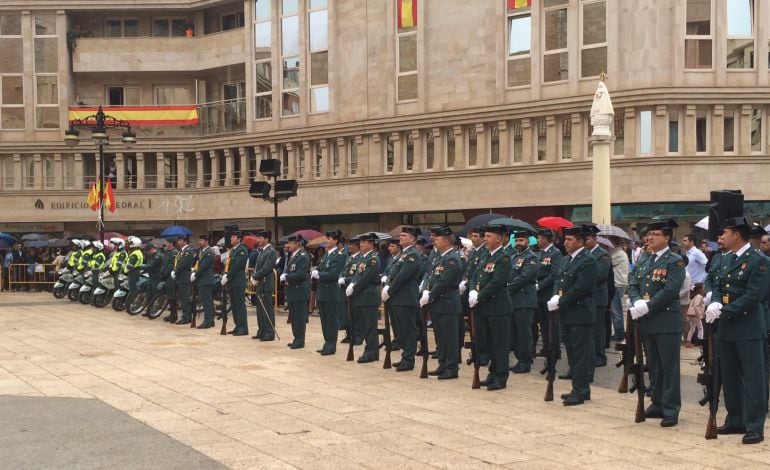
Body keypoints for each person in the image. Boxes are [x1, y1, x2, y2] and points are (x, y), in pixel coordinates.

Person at [706, 217, 768, 444]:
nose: (722, 236)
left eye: (726, 232)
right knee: (730, 376)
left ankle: (754, 426)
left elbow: (754, 296)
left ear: (737, 235)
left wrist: (724, 310)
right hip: (727, 327)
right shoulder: (724, 259)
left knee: (753, 378)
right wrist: (714, 300)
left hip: (747, 326)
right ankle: (735, 419)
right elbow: (716, 282)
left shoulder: (757, 260)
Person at [628, 219, 684, 427]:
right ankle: (658, 402)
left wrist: (648, 306)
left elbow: (670, 290)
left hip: (666, 320)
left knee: (669, 366)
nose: (650, 238)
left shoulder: (675, 260)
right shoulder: (644, 258)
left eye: (656, 234)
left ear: (667, 237)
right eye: (649, 234)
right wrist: (636, 301)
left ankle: (671, 408)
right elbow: (632, 281)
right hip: (647, 320)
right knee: (654, 365)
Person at [548, 225, 598, 406]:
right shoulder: (565, 260)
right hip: (567, 312)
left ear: (580, 241)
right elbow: (559, 280)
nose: (566, 243)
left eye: (570, 240)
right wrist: (555, 295)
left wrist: (560, 301)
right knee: (571, 352)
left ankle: (581, 390)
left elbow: (581, 287)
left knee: (581, 354)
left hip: (581, 313)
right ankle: (578, 388)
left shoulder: (588, 260)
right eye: (565, 239)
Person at [469, 224, 512, 391]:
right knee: (487, 342)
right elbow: (475, 275)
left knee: (499, 344)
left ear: (499, 238)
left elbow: (497, 282)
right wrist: (472, 290)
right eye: (485, 236)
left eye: (488, 236)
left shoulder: (504, 257)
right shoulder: (485, 255)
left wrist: (478, 296)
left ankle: (501, 377)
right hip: (484, 307)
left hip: (498, 307)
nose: (485, 239)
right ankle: (492, 373)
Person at [421, 226, 462, 379]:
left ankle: (451, 368)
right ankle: (443, 363)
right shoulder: (439, 257)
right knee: (440, 338)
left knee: (449, 338)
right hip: (438, 304)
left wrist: (430, 294)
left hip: (448, 305)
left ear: (445, 241)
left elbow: (444, 281)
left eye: (436, 239)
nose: (434, 241)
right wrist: (426, 289)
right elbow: (431, 276)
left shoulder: (452, 258)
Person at [383, 226, 421, 371]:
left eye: (404, 235)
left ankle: (409, 359)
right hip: (398, 298)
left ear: (412, 238)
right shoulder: (401, 255)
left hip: (406, 298)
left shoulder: (412, 255)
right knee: (401, 330)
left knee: (408, 330)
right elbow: (392, 273)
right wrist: (387, 285)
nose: (401, 237)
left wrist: (390, 290)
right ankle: (405, 355)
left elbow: (403, 276)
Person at [346, 232, 381, 363]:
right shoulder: (363, 258)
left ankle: (371, 352)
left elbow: (366, 278)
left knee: (370, 326)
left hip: (369, 297)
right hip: (361, 297)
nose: (360, 244)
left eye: (363, 242)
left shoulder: (373, 259)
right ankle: (370, 351)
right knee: (365, 327)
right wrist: (353, 283)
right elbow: (357, 275)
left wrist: (354, 287)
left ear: (370, 244)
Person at [508, 230, 538, 374]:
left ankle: (525, 361)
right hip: (513, 301)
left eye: (522, 241)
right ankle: (520, 359)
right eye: (517, 241)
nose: (519, 243)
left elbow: (525, 277)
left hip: (524, 300)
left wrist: (507, 287)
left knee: (524, 333)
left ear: (528, 241)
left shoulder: (531, 257)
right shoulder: (513, 257)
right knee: (514, 332)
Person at [312, 230, 346, 355]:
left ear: (336, 241)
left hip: (331, 292)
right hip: (322, 292)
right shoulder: (326, 255)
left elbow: (334, 274)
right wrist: (316, 271)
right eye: (326, 238)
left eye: (329, 239)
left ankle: (331, 345)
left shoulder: (340, 256)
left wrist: (319, 274)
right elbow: (321, 268)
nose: (326, 241)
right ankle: (327, 342)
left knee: (331, 320)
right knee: (324, 320)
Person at [461, 227, 489, 365]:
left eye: (476, 236)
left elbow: (480, 274)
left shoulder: (485, 252)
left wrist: (472, 288)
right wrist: (464, 283)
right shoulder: (473, 252)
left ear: (483, 238)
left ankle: (483, 354)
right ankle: (476, 352)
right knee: (473, 326)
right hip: (470, 291)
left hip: (479, 293)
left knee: (481, 327)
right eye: (472, 236)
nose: (473, 239)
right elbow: (468, 271)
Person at [584, 226, 611, 368]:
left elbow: (600, 275)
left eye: (588, 239)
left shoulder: (602, 255)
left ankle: (599, 356)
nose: (585, 241)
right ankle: (590, 354)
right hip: (586, 297)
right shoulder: (585, 253)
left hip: (598, 297)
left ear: (595, 239)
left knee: (598, 329)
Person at [535, 229, 563, 358]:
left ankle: (554, 349)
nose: (537, 240)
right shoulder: (540, 254)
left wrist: (540, 285)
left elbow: (554, 274)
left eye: (539, 238)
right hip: (540, 294)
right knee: (544, 324)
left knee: (552, 324)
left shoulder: (555, 253)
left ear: (545, 239)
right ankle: (546, 347)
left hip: (548, 292)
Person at [282, 234, 310, 348]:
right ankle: (296, 338)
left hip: (299, 291)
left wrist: (287, 277)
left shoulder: (303, 256)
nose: (289, 245)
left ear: (298, 244)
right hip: (292, 291)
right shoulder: (293, 255)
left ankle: (300, 340)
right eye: (289, 243)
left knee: (299, 317)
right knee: (293, 317)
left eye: (292, 243)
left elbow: (301, 274)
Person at [250, 230, 277, 341]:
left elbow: (267, 268)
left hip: (266, 283)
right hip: (260, 283)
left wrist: (255, 276)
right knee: (260, 310)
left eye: (260, 238)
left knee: (267, 309)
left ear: (266, 239)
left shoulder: (271, 251)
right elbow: (258, 266)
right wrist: (255, 276)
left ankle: (269, 333)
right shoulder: (262, 251)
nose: (258, 240)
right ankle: (261, 330)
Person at [223, 230, 249, 336]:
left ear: (239, 239)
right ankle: (238, 326)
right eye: (231, 237)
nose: (231, 239)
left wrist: (227, 277)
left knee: (239, 305)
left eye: (233, 237)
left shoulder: (242, 250)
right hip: (232, 282)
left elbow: (237, 266)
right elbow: (229, 265)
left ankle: (243, 328)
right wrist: (225, 274)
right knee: (234, 305)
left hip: (238, 281)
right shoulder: (233, 250)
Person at [340, 237, 362, 345]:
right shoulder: (348, 258)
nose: (349, 247)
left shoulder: (360, 258)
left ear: (357, 246)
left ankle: (358, 336)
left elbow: (357, 275)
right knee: (347, 313)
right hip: (345, 288)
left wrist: (347, 280)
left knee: (356, 314)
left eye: (351, 245)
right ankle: (349, 334)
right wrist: (341, 277)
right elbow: (343, 271)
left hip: (354, 288)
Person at [382, 237, 403, 351]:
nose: (389, 248)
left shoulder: (402, 258)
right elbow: (387, 270)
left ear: (399, 247)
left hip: (397, 292)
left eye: (392, 246)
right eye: (389, 246)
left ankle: (399, 340)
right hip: (389, 292)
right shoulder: (391, 259)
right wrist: (385, 276)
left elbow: (399, 275)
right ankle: (396, 339)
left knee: (399, 319)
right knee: (393, 319)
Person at [192, 235, 215, 328]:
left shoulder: (209, 252)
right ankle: (210, 320)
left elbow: (204, 266)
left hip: (206, 280)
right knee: (207, 301)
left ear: (206, 241)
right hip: (202, 280)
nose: (199, 242)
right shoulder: (202, 251)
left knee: (207, 302)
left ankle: (207, 321)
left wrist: (195, 275)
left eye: (201, 240)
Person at [171, 236, 195, 325]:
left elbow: (183, 264)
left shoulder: (188, 251)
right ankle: (185, 316)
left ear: (185, 241)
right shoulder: (181, 251)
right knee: (182, 297)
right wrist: (174, 271)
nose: (178, 242)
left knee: (185, 298)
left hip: (184, 276)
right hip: (180, 277)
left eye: (180, 241)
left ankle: (187, 317)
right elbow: (177, 263)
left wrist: (175, 272)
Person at [609, 242, 629, 341]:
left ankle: (619, 332)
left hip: (618, 283)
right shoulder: (616, 252)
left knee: (616, 309)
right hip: (617, 283)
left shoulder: (618, 254)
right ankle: (618, 331)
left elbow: (608, 263)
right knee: (614, 309)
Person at [140, 243, 164, 318]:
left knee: (156, 295)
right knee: (149, 294)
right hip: (151, 277)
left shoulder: (158, 256)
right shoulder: (152, 256)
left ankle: (156, 311)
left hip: (157, 278)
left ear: (152, 249)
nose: (147, 252)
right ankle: (148, 311)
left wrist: (140, 266)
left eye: (148, 251)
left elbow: (150, 266)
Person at [161, 238, 179, 323]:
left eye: (167, 242)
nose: (166, 244)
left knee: (172, 296)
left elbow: (171, 265)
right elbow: (164, 264)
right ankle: (172, 314)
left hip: (171, 277)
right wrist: (162, 272)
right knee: (169, 296)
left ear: (171, 243)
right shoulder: (167, 252)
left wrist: (164, 274)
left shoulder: (174, 252)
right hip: (166, 276)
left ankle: (174, 315)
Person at [124, 236, 144, 303]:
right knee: (134, 289)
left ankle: (132, 304)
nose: (129, 245)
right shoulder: (138, 252)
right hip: (136, 272)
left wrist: (125, 271)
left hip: (133, 273)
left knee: (133, 290)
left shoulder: (135, 254)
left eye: (130, 243)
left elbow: (129, 266)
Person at [685, 284, 704, 348]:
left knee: (692, 328)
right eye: (703, 288)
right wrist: (700, 315)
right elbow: (696, 306)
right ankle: (700, 342)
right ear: (700, 289)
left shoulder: (695, 296)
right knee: (700, 328)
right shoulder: (699, 296)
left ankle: (688, 342)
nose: (704, 289)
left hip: (691, 314)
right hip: (695, 314)